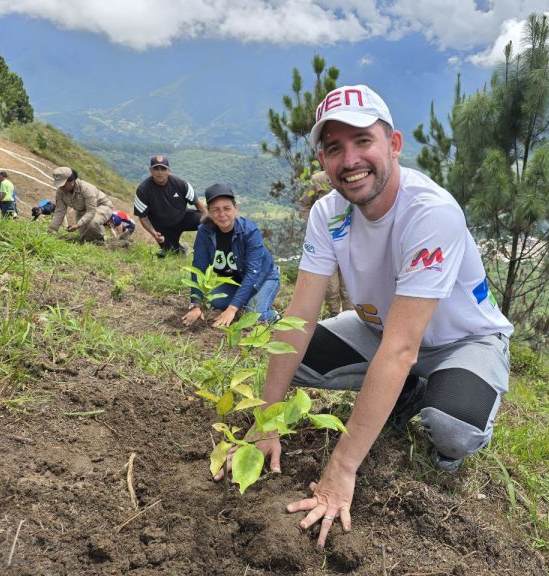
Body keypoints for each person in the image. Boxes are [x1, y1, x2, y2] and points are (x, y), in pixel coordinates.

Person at [217, 85, 513, 548]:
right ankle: (406, 391)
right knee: (296, 359)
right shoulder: (328, 214)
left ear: (393, 144)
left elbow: (401, 348)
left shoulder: (430, 213)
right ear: (323, 160)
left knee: (453, 429)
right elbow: (298, 317)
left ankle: (442, 401)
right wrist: (266, 420)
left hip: (462, 341)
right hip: (378, 330)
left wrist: (340, 470)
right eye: (334, 148)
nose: (350, 159)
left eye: (362, 141)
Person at [182, 183, 280, 328]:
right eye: (215, 210)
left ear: (235, 208)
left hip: (263, 277)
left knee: (254, 315)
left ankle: (274, 314)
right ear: (209, 211)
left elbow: (252, 273)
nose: (222, 214)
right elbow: (199, 267)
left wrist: (232, 309)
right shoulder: (205, 232)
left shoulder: (250, 232)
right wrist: (195, 305)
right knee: (216, 301)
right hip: (234, 280)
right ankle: (246, 299)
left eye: (227, 208)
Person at [299, 170, 352, 316]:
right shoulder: (317, 179)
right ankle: (334, 315)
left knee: (348, 284)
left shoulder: (350, 176)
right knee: (331, 286)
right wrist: (312, 225)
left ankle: (351, 317)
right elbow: (304, 204)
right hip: (325, 240)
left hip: (347, 238)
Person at [133, 155, 206, 257]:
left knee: (208, 222)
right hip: (163, 226)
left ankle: (202, 249)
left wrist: (209, 219)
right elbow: (143, 217)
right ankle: (181, 249)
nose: (160, 172)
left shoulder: (181, 184)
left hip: (183, 218)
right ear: (151, 171)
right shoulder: (143, 190)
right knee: (173, 254)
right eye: (156, 168)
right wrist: (154, 234)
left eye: (163, 169)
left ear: (169, 171)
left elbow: (198, 203)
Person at [49, 167, 114, 244]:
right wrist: (52, 229)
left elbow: (91, 211)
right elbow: (60, 211)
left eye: (63, 184)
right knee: (85, 237)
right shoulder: (60, 192)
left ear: (72, 181)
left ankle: (103, 241)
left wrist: (78, 224)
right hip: (82, 210)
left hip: (101, 206)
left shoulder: (86, 188)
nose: (61, 187)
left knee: (93, 223)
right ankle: (93, 242)